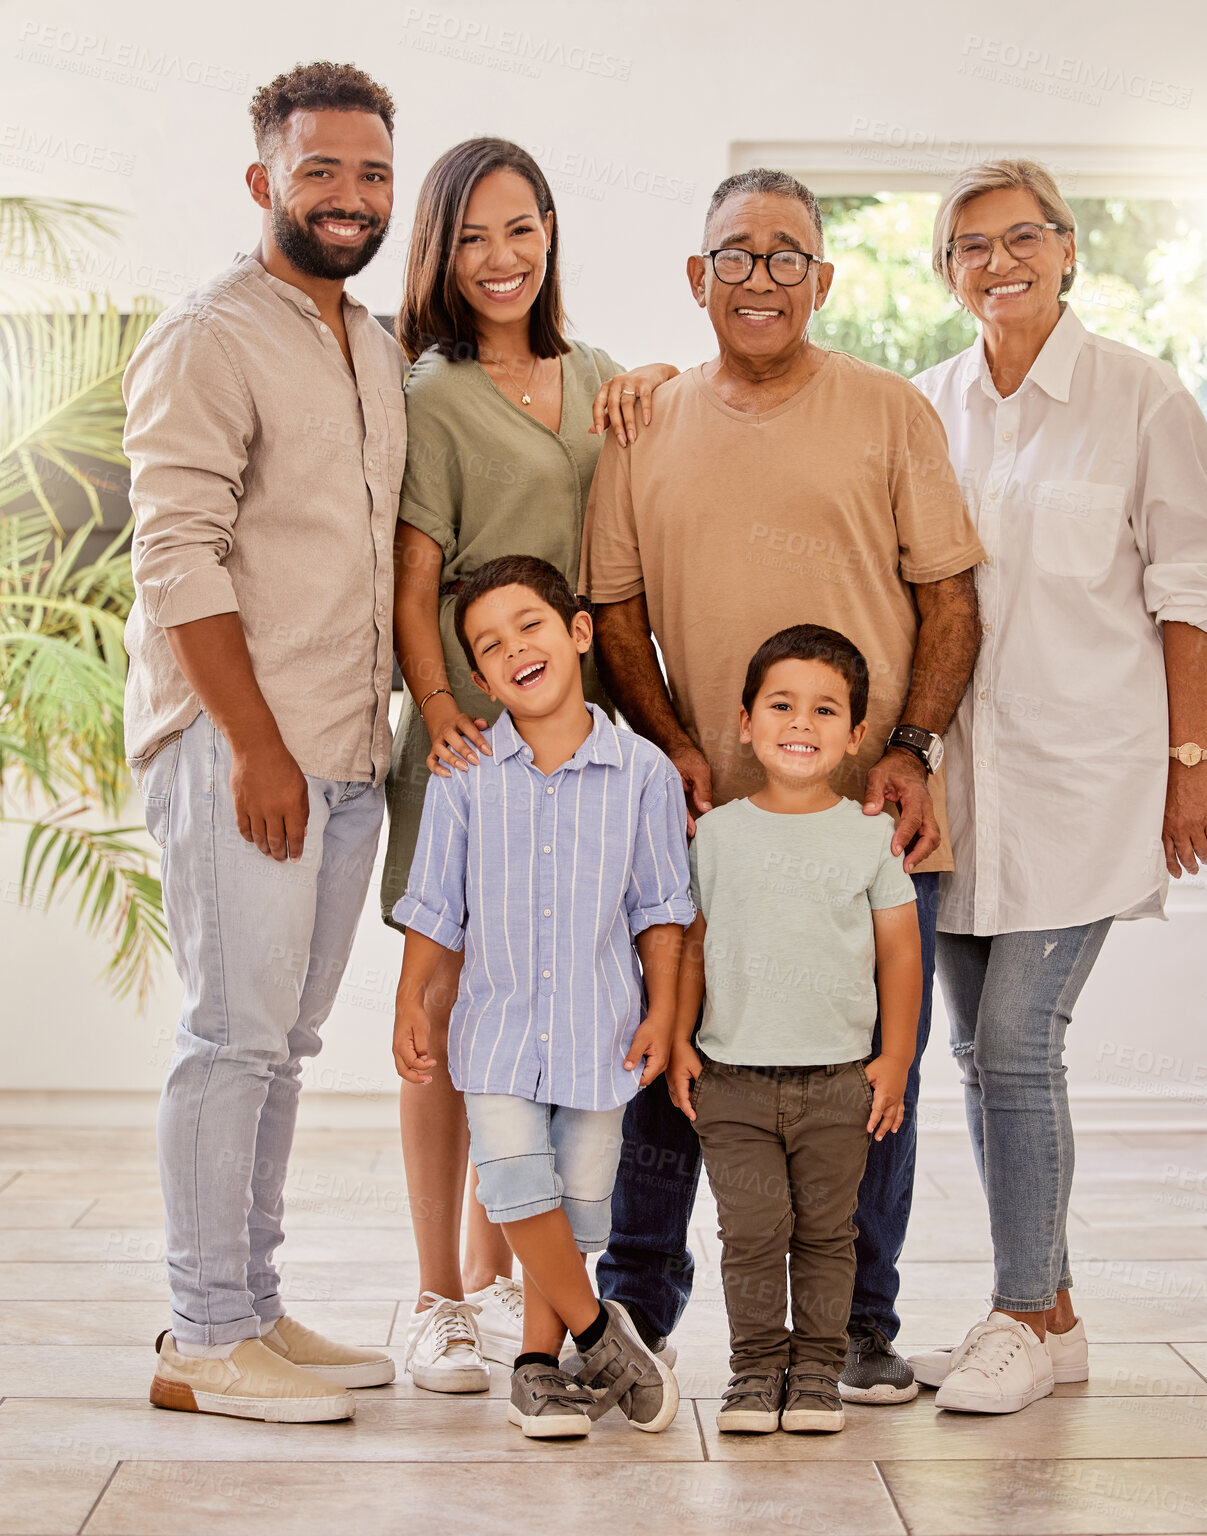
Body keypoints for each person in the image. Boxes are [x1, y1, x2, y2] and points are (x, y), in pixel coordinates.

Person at [579, 167, 984, 1404]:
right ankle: (636, 1312)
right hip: (701, 823)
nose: (762, 277)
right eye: (736, 256)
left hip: (867, 814)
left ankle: (859, 1327)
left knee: (872, 1082)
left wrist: (912, 747)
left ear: (825, 277)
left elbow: (949, 597)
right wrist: (677, 746)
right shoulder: (642, 423)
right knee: (672, 1058)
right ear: (698, 279)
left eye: (788, 255)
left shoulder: (890, 410)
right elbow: (614, 607)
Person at [903, 159, 1207, 1414]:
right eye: (972, 246)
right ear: (946, 272)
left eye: (1023, 238)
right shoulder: (922, 406)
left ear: (1066, 252)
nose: (1000, 262)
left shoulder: (1141, 397)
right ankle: (1047, 1312)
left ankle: (1016, 1312)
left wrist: (1191, 768)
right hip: (958, 793)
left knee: (1017, 1042)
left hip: (1089, 777)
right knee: (975, 1050)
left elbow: (1197, 587)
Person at [123, 63, 404, 1422]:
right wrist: (255, 746)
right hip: (245, 753)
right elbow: (177, 554)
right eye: (320, 171)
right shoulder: (208, 335)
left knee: (280, 1045)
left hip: (348, 754)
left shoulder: (375, 343)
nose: (349, 198)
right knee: (229, 1036)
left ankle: (252, 1307)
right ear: (263, 183)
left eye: (370, 175)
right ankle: (200, 1335)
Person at [379, 138, 679, 1389]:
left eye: (520, 230)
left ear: (551, 231)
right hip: (471, 736)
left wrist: (661, 375)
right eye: (470, 238)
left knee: (571, 1011)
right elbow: (412, 579)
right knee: (451, 1017)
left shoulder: (603, 375)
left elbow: (664, 450)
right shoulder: (432, 397)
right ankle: (440, 1294)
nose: (498, 259)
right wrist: (446, 710)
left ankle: (520, 1287)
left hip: (593, 737)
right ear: (441, 254)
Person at [391, 555, 695, 1439]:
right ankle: (602, 1334)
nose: (514, 648)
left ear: (578, 633)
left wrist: (666, 1013)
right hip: (495, 1036)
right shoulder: (465, 776)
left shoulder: (642, 773)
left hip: (602, 1037)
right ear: (478, 678)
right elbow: (435, 905)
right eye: (489, 646)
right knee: (517, 1184)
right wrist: (413, 997)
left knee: (575, 1207)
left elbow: (663, 910)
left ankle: (536, 1364)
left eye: (530, 625)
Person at [668, 625, 923, 1435]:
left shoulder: (869, 837)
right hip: (732, 1081)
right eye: (781, 705)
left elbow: (900, 959)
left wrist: (894, 1058)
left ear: (854, 737)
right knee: (748, 1236)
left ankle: (815, 1374)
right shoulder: (716, 835)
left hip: (839, 1083)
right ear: (746, 721)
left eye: (824, 710)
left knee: (824, 1235)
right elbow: (692, 946)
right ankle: (754, 1373)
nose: (800, 723)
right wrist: (678, 1040)